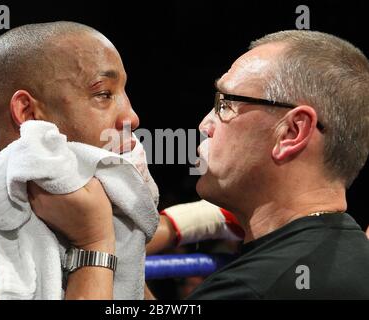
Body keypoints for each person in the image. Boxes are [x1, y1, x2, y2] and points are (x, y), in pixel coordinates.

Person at [31, 30, 369, 299]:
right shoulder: (353, 260)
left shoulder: (255, 287)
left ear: (292, 132)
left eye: (226, 103)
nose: (204, 125)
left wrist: (95, 244)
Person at [0, 21, 239, 300]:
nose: (131, 117)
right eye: (103, 94)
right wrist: (93, 245)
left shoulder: (115, 233)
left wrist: (210, 217)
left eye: (124, 92)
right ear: (29, 114)